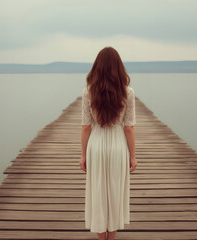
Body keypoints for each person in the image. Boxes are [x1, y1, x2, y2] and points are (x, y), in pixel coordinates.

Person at [80, 46, 137, 240]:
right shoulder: (128, 92)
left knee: (97, 192)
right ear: (118, 68)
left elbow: (86, 127)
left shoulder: (88, 91)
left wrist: (82, 155)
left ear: (96, 67)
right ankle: (110, 238)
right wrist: (133, 156)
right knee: (114, 192)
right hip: (117, 146)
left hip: (95, 145)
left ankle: (100, 237)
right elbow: (129, 127)